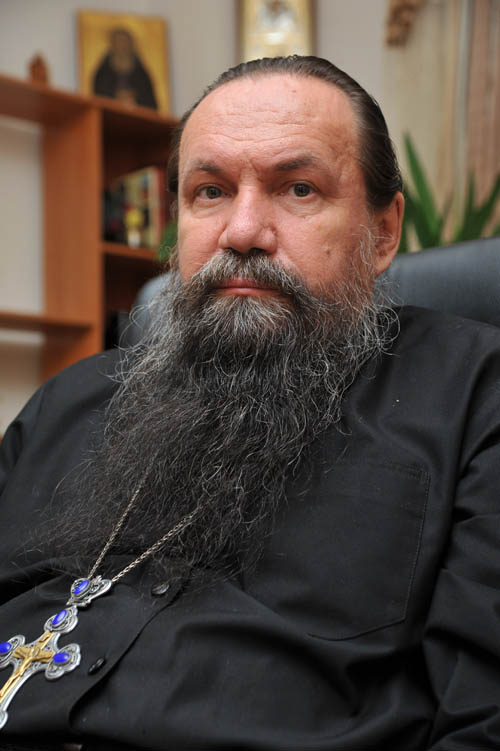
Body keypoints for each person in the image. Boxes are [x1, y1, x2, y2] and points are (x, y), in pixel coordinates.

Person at [1, 55, 500, 750]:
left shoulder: (474, 394)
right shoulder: (70, 400)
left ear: (383, 232)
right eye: (209, 191)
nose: (240, 231)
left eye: (298, 189)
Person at [92, 27, 158, 110]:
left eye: (125, 42)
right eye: (119, 42)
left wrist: (134, 97)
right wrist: (116, 97)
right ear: (113, 45)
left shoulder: (141, 74)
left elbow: (150, 104)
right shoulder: (104, 73)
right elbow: (98, 99)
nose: (123, 46)